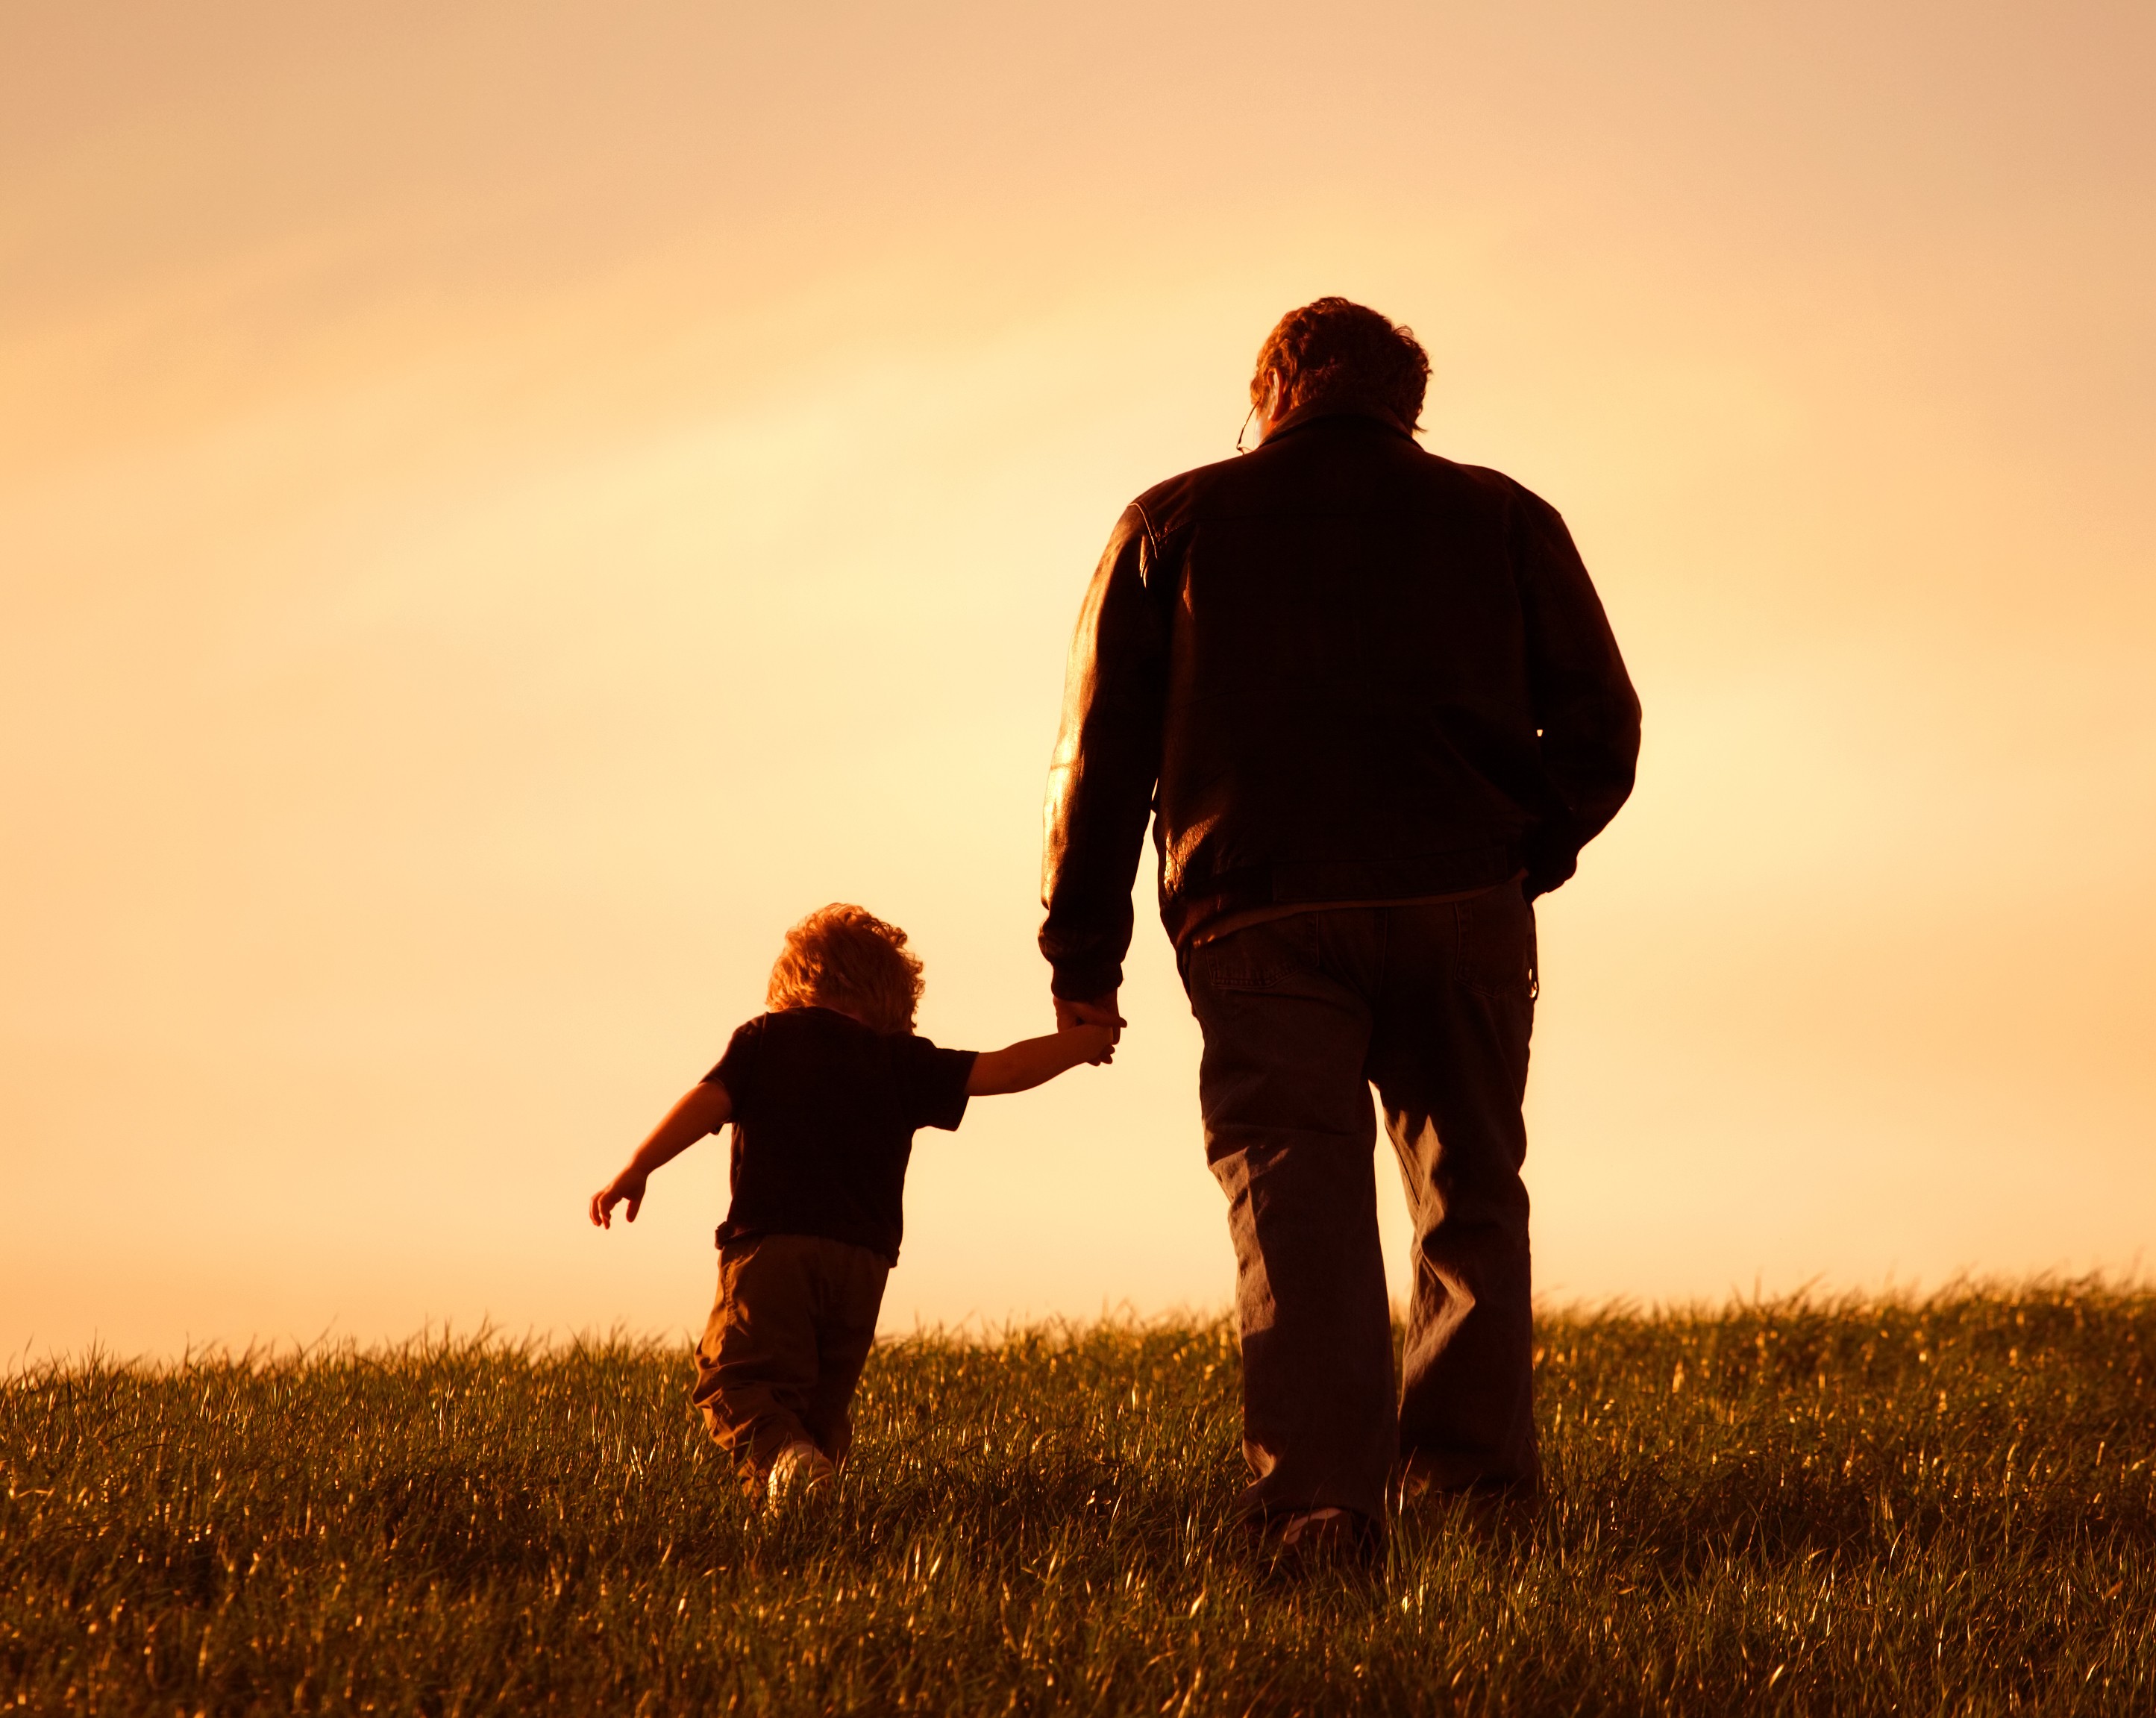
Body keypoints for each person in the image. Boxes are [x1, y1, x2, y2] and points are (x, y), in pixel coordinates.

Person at [1039, 297, 1640, 1565]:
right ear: (1405, 403)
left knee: (1295, 1202)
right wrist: (1519, 853)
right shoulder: (1503, 517)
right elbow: (1602, 726)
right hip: (1458, 904)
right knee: (1469, 1196)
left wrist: (1081, 962)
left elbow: (1096, 762)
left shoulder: (1172, 522)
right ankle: (1471, 1504)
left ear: (1269, 392)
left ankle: (1320, 1508)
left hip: (1256, 911)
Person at [590, 903, 1118, 1508]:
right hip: (862, 1267)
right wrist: (1081, 1042)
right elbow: (1004, 1069)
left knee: (738, 1384)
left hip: (772, 1250)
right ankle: (807, 1505)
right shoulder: (900, 1060)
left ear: (799, 981)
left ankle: (787, 1470)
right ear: (893, 998)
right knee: (819, 1405)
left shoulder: (767, 1039)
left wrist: (639, 1166)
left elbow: (708, 1101)